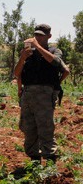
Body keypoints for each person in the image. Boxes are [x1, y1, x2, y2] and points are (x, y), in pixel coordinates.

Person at [14, 24, 69, 164]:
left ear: (49, 36)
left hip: (45, 94)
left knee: (45, 128)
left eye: (41, 35)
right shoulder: (28, 53)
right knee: (29, 128)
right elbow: (16, 73)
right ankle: (34, 160)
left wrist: (38, 47)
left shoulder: (54, 51)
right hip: (28, 94)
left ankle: (50, 161)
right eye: (36, 35)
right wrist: (22, 58)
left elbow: (57, 63)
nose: (37, 37)